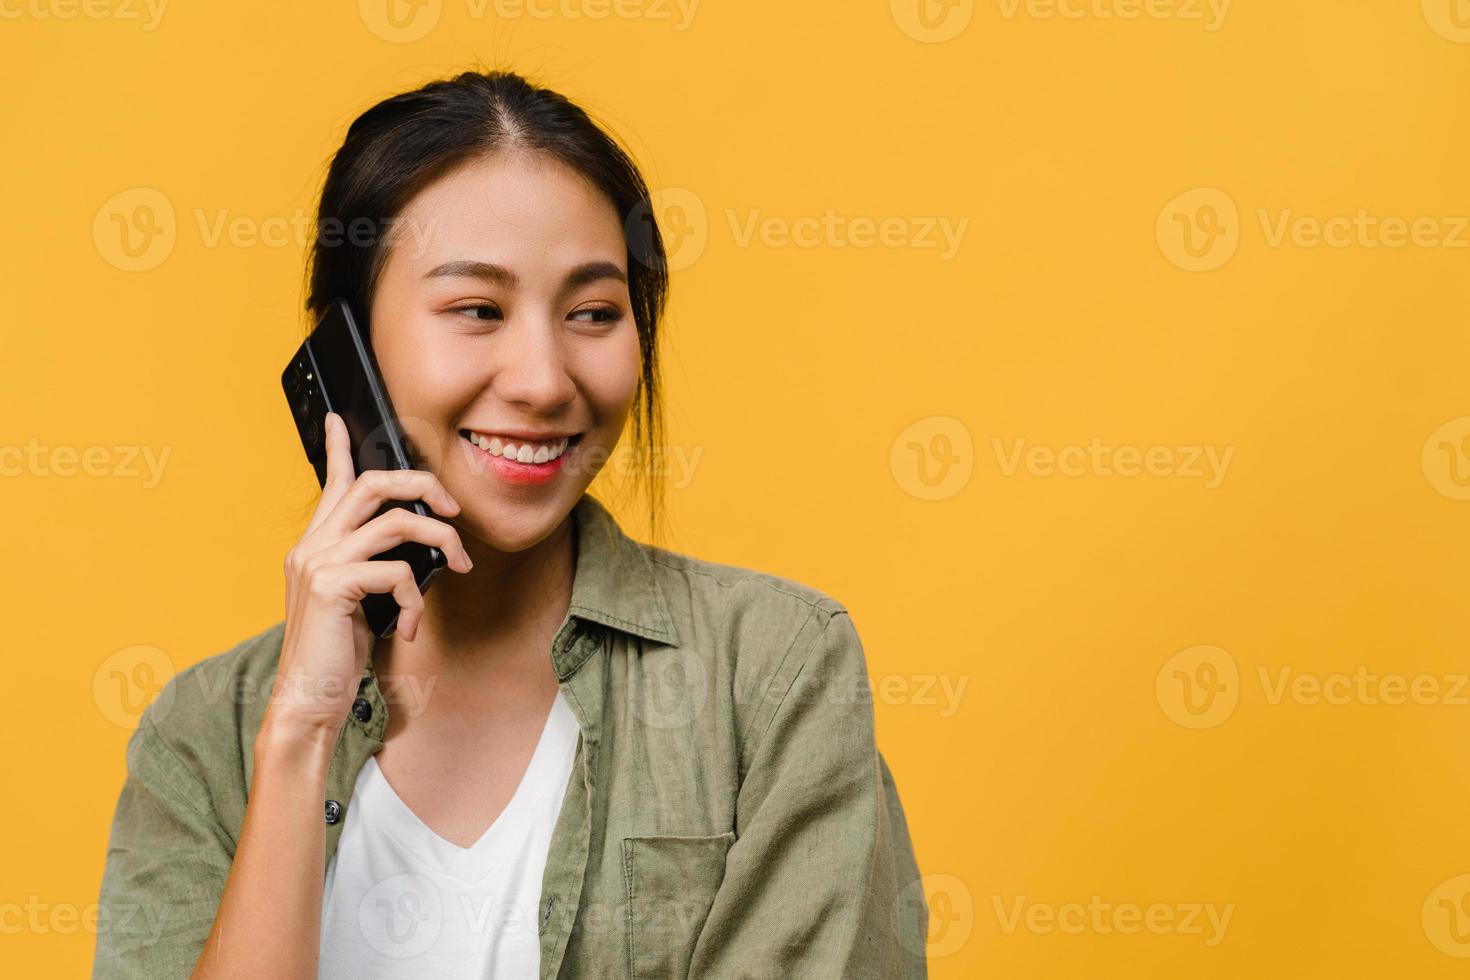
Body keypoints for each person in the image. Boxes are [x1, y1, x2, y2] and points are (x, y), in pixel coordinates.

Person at [93, 68, 928, 979]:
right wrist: (299, 734)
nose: (542, 379)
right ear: (346, 350)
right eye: (477, 310)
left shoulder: (772, 673)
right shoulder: (200, 738)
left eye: (593, 313)